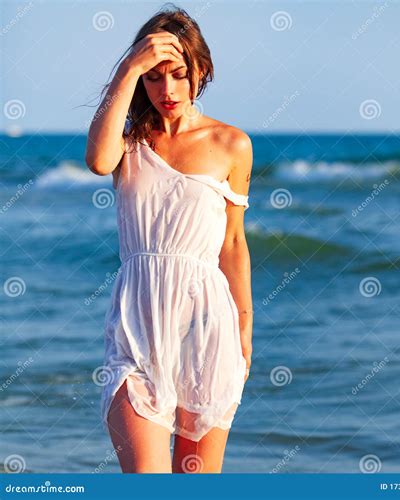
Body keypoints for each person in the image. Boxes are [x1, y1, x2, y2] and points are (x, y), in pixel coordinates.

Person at [85, 5, 253, 473]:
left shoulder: (231, 145)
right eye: (153, 78)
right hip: (137, 326)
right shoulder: (129, 143)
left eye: (178, 75)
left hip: (207, 328)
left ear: (202, 69)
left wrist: (244, 327)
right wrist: (126, 69)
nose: (168, 91)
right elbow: (98, 161)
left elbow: (233, 245)